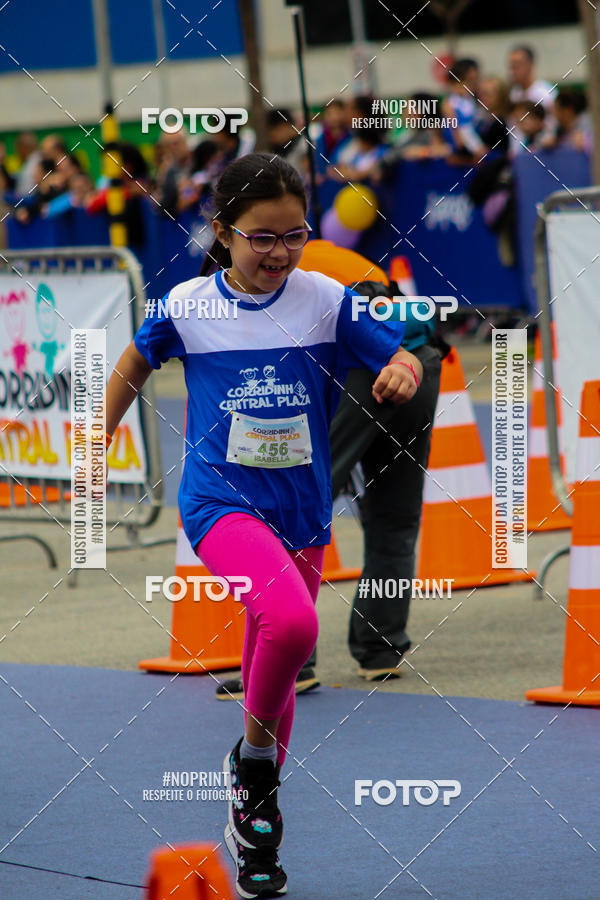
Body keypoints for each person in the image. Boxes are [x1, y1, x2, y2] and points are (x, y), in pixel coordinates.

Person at [104, 153, 422, 898]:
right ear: (222, 232)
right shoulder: (186, 305)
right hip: (221, 504)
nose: (279, 252)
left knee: (269, 672)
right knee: (292, 626)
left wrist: (401, 370)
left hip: (302, 513)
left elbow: (399, 352)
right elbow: (132, 365)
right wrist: (97, 440)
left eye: (294, 235)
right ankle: (251, 769)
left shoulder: (323, 296)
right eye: (261, 237)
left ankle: (253, 832)